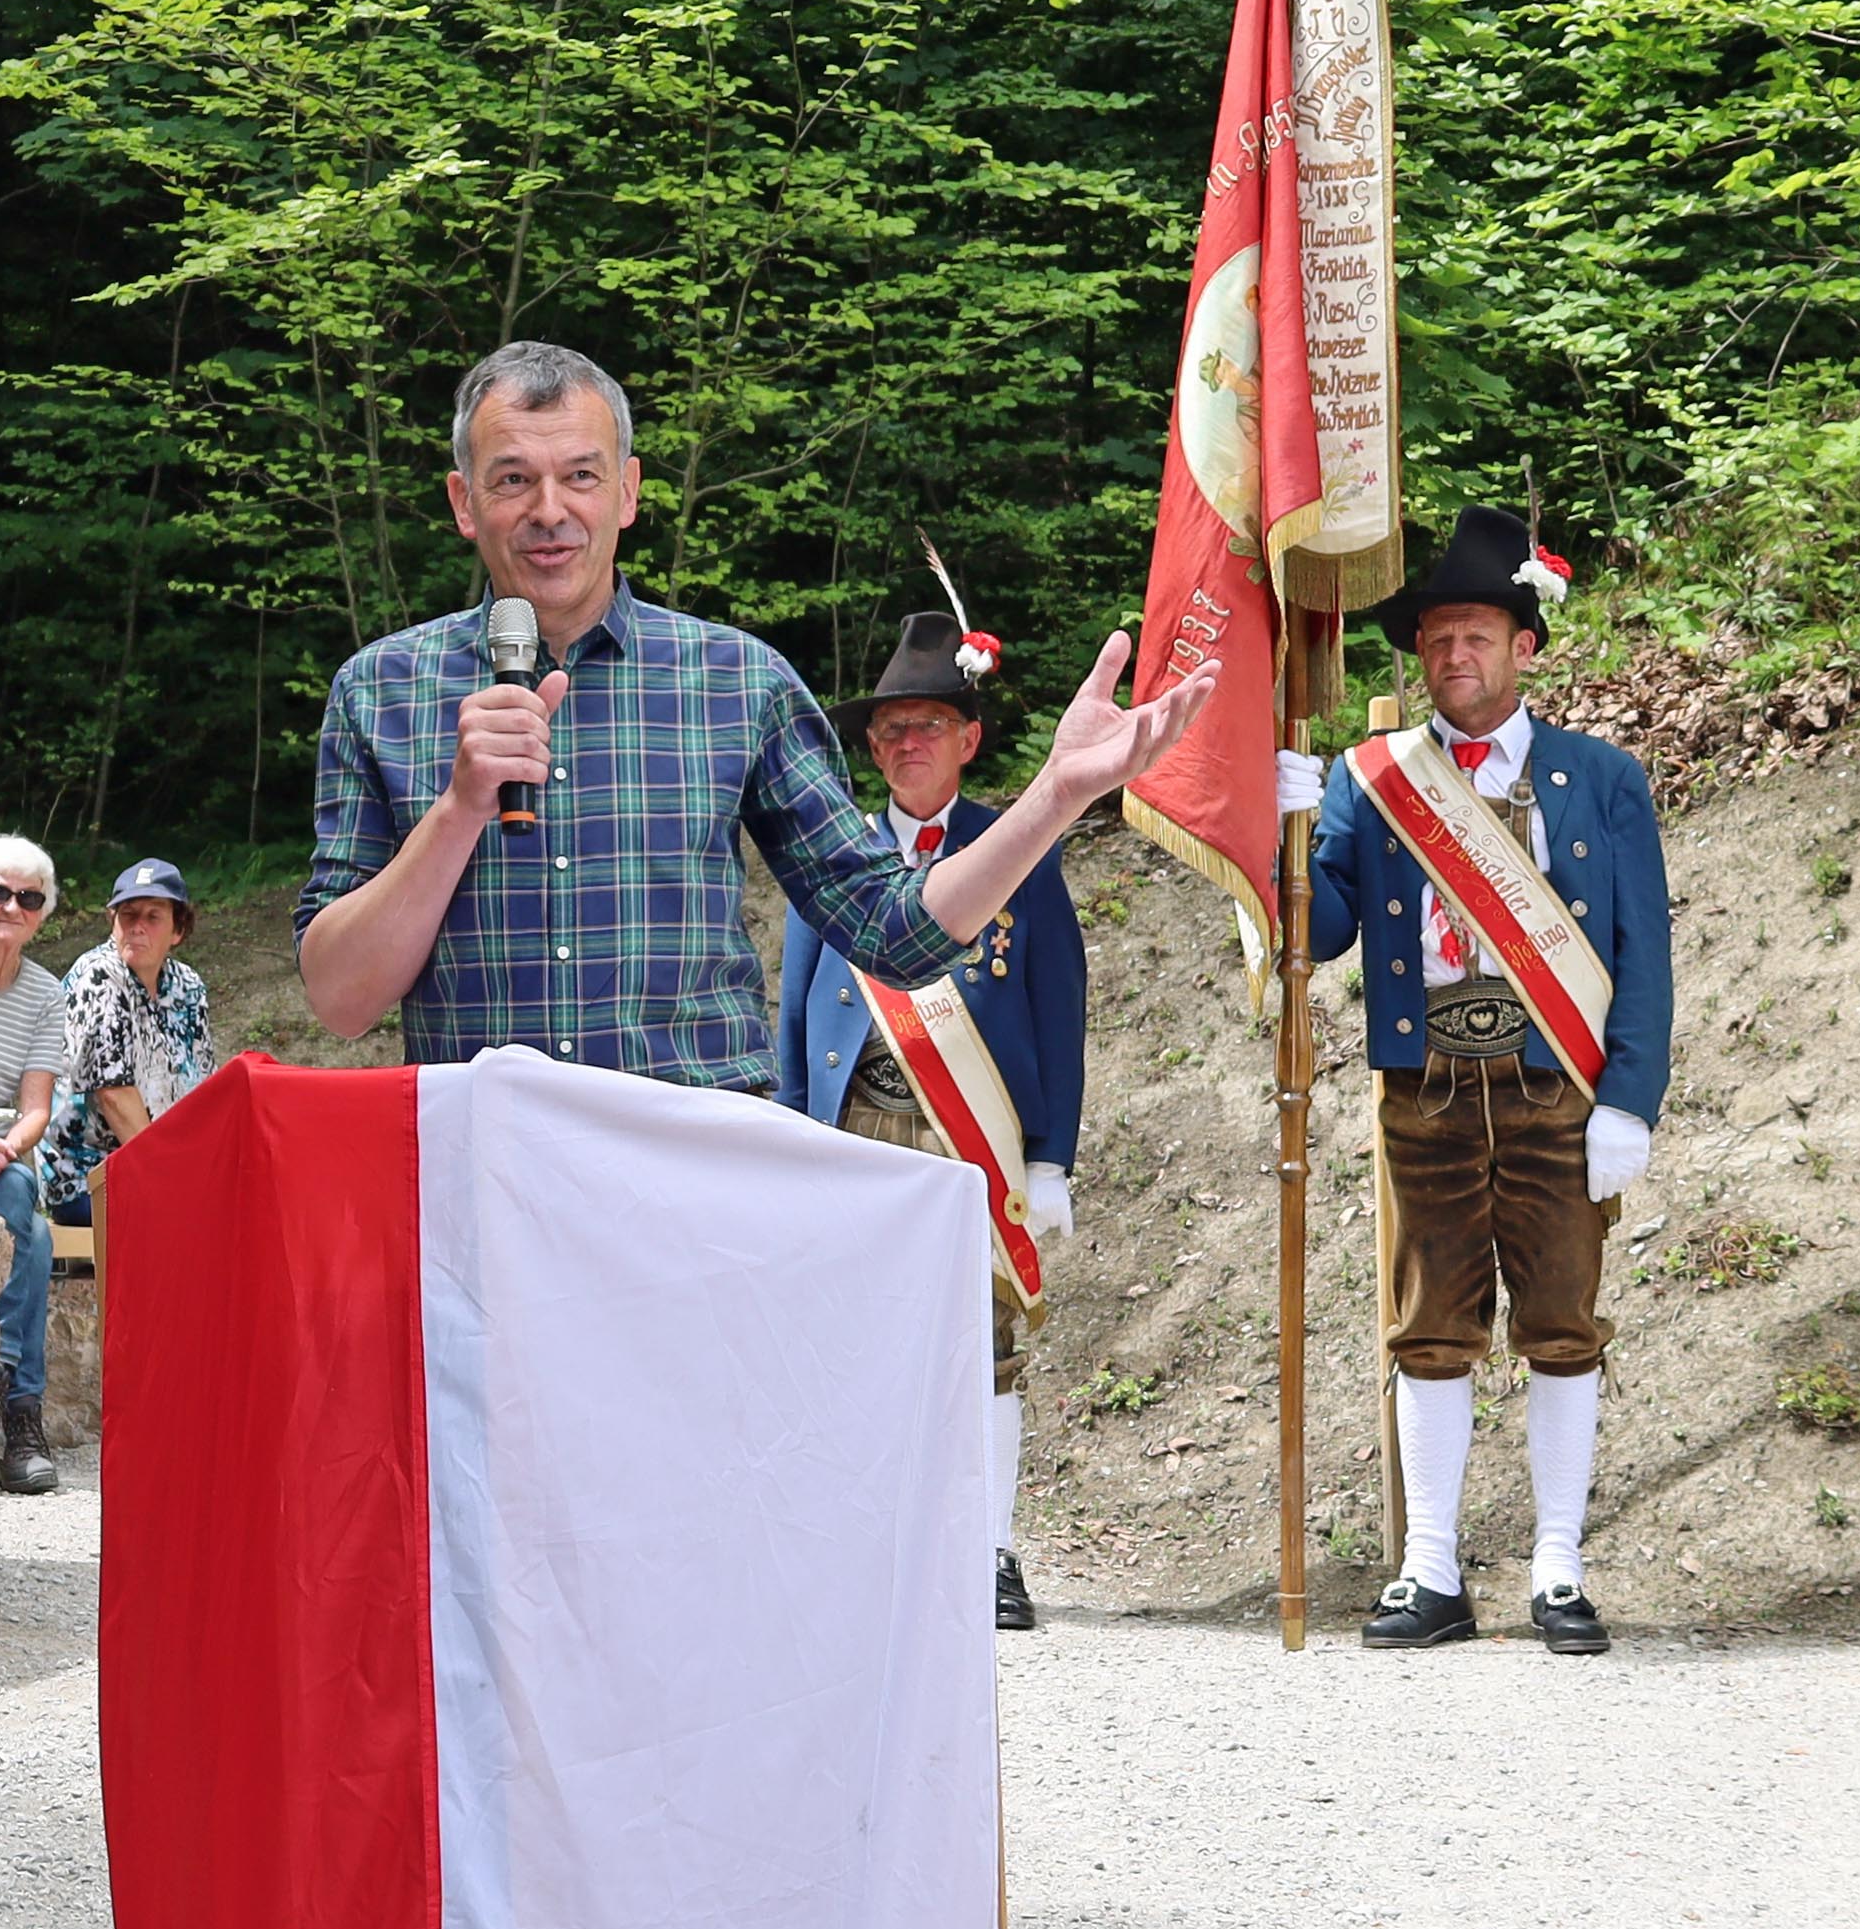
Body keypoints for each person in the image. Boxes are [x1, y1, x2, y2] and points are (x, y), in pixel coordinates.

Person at [297, 343, 1201, 1091]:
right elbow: (340, 998)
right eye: (512, 481)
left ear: (629, 493)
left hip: (701, 1198)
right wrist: (458, 810)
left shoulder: (736, 681)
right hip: (482, 1196)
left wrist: (1056, 793)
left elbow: (895, 934)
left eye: (581, 474)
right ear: (463, 502)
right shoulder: (381, 692)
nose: (550, 511)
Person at [1288, 515, 1675, 1655]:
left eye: (1476, 632)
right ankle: (1431, 1568)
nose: (1454, 653)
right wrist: (1290, 830)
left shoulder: (1598, 778)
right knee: (1428, 1326)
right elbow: (1328, 932)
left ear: (1523, 647)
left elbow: (1641, 949)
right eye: (1437, 636)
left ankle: (1557, 1565)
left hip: (1556, 1081)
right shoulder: (1376, 779)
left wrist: (1629, 1098)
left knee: (1560, 1322)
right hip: (1427, 1088)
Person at [771, 611, 1089, 1634]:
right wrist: (789, 1141)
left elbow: (1057, 1005)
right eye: (890, 729)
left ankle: (990, 1551)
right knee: (853, 1347)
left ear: (968, 737)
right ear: (870, 748)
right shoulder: (833, 853)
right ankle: (864, 1544)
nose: (906, 742)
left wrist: (1050, 1159)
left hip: (969, 1140)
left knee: (983, 1349)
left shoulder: (1016, 848)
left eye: (927, 724)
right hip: (855, 1129)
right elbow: (794, 1012)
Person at [0, 838, 71, 1496]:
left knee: (26, 1202)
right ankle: (12, 1401)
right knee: (33, 1223)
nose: (10, 907)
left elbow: (35, 1110)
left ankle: (0, 1396)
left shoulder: (45, 994)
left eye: (27, 898)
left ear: (43, 913)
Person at [56, 857, 218, 1194]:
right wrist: (175, 1179)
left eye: (153, 916)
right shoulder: (98, 977)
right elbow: (114, 1096)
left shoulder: (188, 986)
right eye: (127, 914)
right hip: (90, 1173)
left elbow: (203, 1094)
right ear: (112, 921)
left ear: (178, 930)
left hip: (166, 1164)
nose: (137, 926)